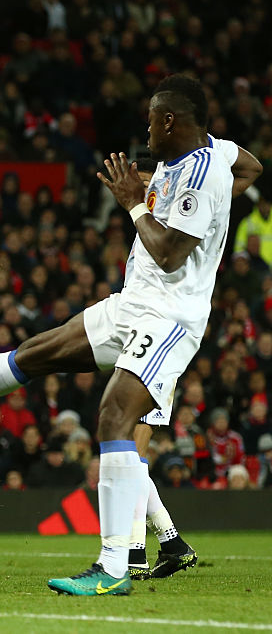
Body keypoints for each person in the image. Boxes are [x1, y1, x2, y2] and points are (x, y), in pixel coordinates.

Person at [0, 74, 243, 596]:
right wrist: (208, 208)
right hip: (130, 304)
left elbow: (169, 255)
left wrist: (135, 202)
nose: (145, 129)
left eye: (150, 120)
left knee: (114, 416)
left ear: (170, 120)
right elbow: (251, 167)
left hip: (168, 318)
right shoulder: (215, 156)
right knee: (34, 354)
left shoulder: (205, 174)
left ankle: (115, 566)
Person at [124, 144, 259, 580]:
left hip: (162, 335)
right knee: (126, 450)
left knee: (128, 451)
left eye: (146, 185)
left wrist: (203, 141)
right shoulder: (150, 222)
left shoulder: (181, 219)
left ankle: (135, 553)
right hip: (144, 334)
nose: (144, 194)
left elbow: (250, 169)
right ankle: (170, 543)